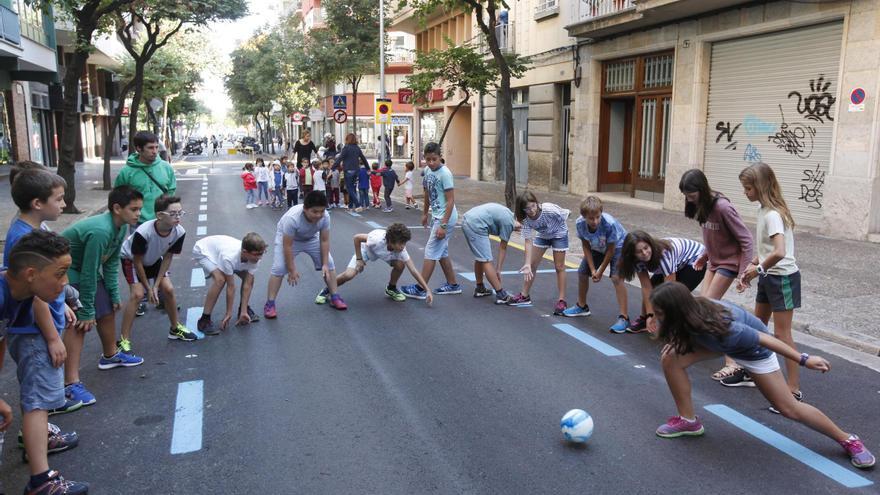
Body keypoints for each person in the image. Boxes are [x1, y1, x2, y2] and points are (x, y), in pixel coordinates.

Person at [650, 282, 875, 469]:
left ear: (677, 310)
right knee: (670, 359)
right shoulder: (687, 316)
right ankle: (689, 422)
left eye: (659, 313)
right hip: (720, 344)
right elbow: (676, 330)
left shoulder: (725, 327)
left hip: (754, 351)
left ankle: (848, 439)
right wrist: (658, 326)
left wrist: (804, 359)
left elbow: (765, 339)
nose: (656, 316)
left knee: (788, 408)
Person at [2, 231, 89, 494]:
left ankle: (40, 483)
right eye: (60, 273)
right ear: (31, 274)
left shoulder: (22, 294)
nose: (64, 282)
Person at [5, 165, 83, 415]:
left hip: (42, 324)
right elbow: (34, 296)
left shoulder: (38, 229)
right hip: (34, 331)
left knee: (40, 396)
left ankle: (42, 429)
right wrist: (52, 338)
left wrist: (62, 304)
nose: (64, 204)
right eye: (59, 199)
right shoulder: (23, 239)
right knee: (36, 399)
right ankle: (38, 438)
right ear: (38, 203)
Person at [61, 186, 144, 406]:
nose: (138, 214)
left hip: (83, 268)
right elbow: (89, 271)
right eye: (134, 209)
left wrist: (114, 293)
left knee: (107, 309)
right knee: (80, 323)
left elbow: (109, 263)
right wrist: (87, 310)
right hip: (66, 271)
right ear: (117, 208)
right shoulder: (101, 230)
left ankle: (110, 356)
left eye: (139, 209)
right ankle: (70, 384)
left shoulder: (119, 227)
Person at [735, 163, 803, 409]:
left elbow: (780, 252)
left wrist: (758, 269)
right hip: (768, 275)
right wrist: (749, 269)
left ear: (760, 187)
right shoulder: (763, 210)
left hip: (782, 278)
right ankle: (752, 373)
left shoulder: (773, 214)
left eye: (748, 187)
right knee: (758, 328)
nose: (745, 192)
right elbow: (764, 251)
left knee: (781, 334)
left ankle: (793, 389)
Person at [679, 169, 754, 382]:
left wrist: (743, 274)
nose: (688, 200)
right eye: (686, 196)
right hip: (714, 262)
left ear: (701, 190)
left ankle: (733, 363)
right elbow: (714, 236)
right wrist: (704, 256)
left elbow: (746, 240)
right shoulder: (702, 206)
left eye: (691, 196)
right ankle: (707, 346)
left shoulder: (722, 207)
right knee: (702, 307)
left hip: (729, 264)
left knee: (710, 310)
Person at [119, 195, 196, 354]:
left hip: (155, 259)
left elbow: (167, 257)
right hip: (132, 260)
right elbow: (138, 261)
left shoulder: (179, 232)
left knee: (168, 289)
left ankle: (175, 329)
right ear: (160, 215)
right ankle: (123, 339)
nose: (178, 217)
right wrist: (149, 288)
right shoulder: (144, 232)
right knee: (137, 295)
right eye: (173, 214)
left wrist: (157, 286)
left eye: (180, 213)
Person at [263, 191, 347, 318]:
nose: (318, 215)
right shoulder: (293, 219)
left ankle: (335, 296)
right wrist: (291, 270)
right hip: (290, 240)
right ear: (305, 209)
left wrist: (324, 264)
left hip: (311, 238)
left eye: (321, 211)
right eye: (314, 211)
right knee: (279, 268)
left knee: (329, 264)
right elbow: (287, 246)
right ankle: (270, 304)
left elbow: (324, 240)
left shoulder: (325, 217)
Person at [401, 142, 462, 299]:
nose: (431, 163)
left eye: (434, 159)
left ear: (440, 157)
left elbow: (450, 201)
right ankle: (453, 285)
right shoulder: (427, 171)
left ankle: (421, 288)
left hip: (445, 217)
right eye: (428, 159)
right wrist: (424, 213)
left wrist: (443, 224)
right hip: (436, 215)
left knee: (430, 251)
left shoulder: (445, 174)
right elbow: (427, 192)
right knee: (441, 252)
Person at [562, 196, 630, 332]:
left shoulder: (609, 224)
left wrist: (599, 272)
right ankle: (582, 306)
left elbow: (611, 251)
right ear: (584, 216)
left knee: (616, 278)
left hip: (618, 247)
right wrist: (592, 269)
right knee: (582, 272)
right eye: (591, 218)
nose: (595, 221)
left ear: (601, 213)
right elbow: (586, 246)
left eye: (598, 217)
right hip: (597, 247)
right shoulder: (580, 224)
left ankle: (624, 317)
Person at [618, 231, 705, 333]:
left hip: (696, 259)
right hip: (677, 262)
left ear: (650, 244)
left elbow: (669, 289)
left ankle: (690, 325)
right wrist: (649, 315)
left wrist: (655, 317)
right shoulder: (636, 261)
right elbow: (646, 287)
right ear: (633, 254)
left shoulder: (664, 255)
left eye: (646, 248)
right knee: (654, 289)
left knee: (677, 296)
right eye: (639, 252)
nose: (644, 253)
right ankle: (644, 320)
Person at [328, 224, 433, 305]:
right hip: (367, 251)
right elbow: (357, 238)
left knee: (400, 265)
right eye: (401, 244)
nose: (403, 246)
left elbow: (413, 270)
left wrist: (427, 289)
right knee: (348, 275)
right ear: (391, 241)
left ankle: (391, 288)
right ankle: (328, 289)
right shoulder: (376, 239)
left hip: (387, 254)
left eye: (404, 243)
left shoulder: (401, 250)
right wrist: (359, 259)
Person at [507, 191, 570, 315]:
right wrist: (527, 264)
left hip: (559, 234)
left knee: (559, 266)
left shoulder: (549, 209)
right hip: (543, 235)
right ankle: (524, 296)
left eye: (533, 206)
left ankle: (562, 300)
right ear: (522, 209)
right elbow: (528, 241)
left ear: (537, 203)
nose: (531, 210)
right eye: (527, 208)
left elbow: (566, 214)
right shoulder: (525, 220)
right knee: (532, 265)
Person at [193, 233, 266, 335]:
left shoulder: (255, 258)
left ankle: (243, 310)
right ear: (245, 252)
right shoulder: (229, 257)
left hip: (224, 251)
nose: (260, 257)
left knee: (249, 278)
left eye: (262, 253)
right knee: (220, 280)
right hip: (204, 251)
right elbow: (231, 286)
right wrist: (228, 313)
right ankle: (204, 320)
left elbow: (247, 285)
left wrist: (243, 311)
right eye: (257, 254)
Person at [460, 203, 519, 304]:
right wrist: (498, 269)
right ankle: (501, 295)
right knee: (486, 260)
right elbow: (503, 247)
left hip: (468, 219)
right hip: (475, 225)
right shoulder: (509, 223)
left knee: (481, 257)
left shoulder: (510, 214)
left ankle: (480, 288)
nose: (520, 229)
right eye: (522, 226)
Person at [113, 131, 177, 224]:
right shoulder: (126, 172)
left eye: (156, 147)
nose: (155, 151)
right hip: (138, 223)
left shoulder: (166, 168)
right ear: (139, 148)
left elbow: (171, 192)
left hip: (163, 221)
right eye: (150, 148)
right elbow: (118, 197)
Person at [333, 133, 369, 211]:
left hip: (348, 170)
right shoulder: (357, 148)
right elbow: (363, 158)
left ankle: (358, 204)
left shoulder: (346, 148)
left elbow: (340, 158)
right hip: (356, 170)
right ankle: (350, 206)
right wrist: (368, 168)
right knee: (353, 188)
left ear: (347, 139)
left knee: (349, 189)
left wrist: (333, 167)